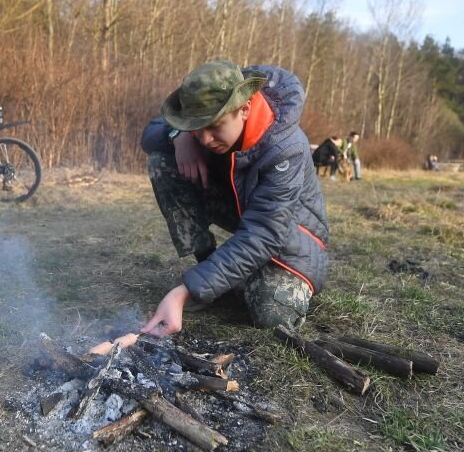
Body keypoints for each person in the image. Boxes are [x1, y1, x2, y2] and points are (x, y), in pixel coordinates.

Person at [140, 60, 329, 337]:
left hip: (292, 236)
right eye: (197, 127)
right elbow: (151, 132)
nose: (205, 139)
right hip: (247, 213)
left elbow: (265, 232)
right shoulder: (204, 130)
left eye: (214, 126)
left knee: (271, 312)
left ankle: (231, 277)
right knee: (163, 162)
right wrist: (179, 135)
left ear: (245, 109)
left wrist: (185, 291)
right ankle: (209, 265)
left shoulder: (286, 147)